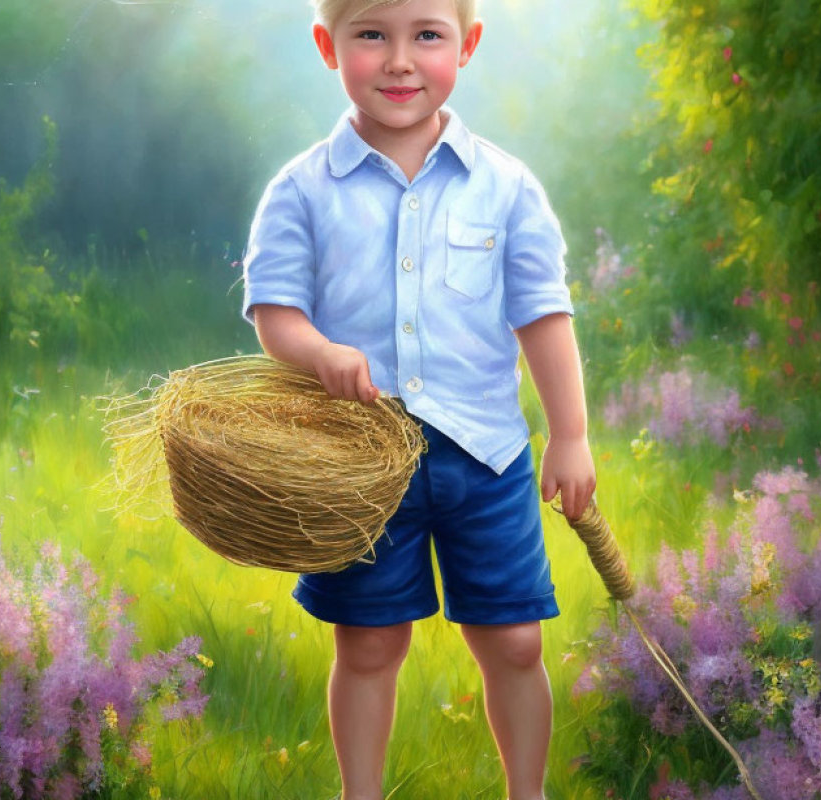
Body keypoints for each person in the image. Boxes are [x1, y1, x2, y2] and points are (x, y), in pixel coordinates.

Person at [241, 1, 596, 797]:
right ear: (329, 45)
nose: (400, 61)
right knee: (367, 645)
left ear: (466, 46)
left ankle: (526, 793)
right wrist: (321, 352)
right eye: (372, 35)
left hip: (488, 458)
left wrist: (569, 434)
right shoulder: (301, 189)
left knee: (513, 642)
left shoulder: (505, 187)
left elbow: (542, 313)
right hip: (361, 468)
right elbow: (274, 314)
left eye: (426, 35)